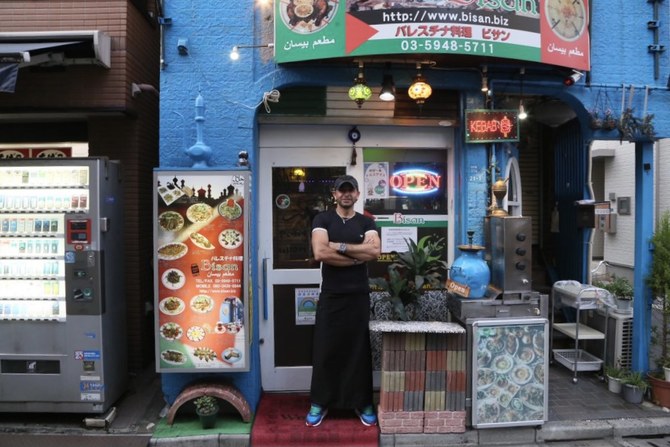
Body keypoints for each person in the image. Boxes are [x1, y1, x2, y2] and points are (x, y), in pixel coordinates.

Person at [305, 174, 381, 427]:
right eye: (342, 190)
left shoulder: (366, 222)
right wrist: (357, 258)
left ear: (357, 194)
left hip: (358, 296)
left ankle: (362, 402)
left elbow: (374, 251)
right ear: (335, 194)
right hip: (332, 296)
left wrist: (340, 247)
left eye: (351, 190)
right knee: (326, 349)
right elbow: (320, 252)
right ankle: (320, 402)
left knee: (358, 351)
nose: (346, 194)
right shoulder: (323, 219)